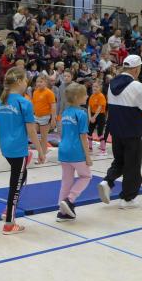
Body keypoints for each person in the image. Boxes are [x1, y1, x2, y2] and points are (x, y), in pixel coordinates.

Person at [98, 55, 142, 209]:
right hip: (131, 131)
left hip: (116, 130)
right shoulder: (135, 85)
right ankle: (128, 199)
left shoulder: (112, 83)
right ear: (136, 69)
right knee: (133, 165)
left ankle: (107, 181)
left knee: (120, 161)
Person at [0, 67, 45, 235]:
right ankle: (9, 224)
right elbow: (31, 130)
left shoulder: (0, 102)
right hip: (17, 149)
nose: (27, 83)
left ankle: (8, 210)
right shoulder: (24, 103)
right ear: (18, 82)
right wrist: (40, 151)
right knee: (15, 185)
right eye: (25, 80)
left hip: (6, 147)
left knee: (21, 176)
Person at [56, 83, 92, 222]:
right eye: (85, 94)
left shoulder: (65, 113)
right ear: (77, 97)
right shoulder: (81, 114)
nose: (87, 96)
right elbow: (83, 137)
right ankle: (70, 200)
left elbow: (63, 132)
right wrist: (88, 157)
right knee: (86, 176)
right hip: (76, 152)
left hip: (63, 150)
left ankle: (62, 212)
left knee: (66, 181)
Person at [31, 74, 56, 161]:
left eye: (41, 82)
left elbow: (53, 106)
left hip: (45, 117)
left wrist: (53, 119)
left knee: (43, 137)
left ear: (45, 82)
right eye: (37, 82)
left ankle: (42, 156)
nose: (38, 83)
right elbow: (34, 105)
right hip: (36, 117)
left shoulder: (49, 93)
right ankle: (41, 152)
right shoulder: (35, 92)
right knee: (33, 134)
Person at [87, 79, 107, 154]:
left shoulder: (101, 96)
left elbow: (99, 108)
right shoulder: (92, 96)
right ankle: (90, 148)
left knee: (100, 132)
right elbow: (89, 107)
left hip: (100, 115)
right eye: (93, 86)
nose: (94, 88)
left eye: (96, 87)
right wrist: (90, 117)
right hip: (92, 115)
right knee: (89, 132)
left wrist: (94, 117)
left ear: (100, 88)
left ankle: (103, 149)